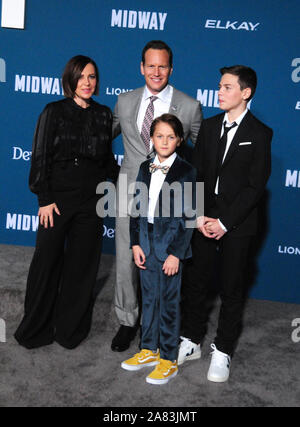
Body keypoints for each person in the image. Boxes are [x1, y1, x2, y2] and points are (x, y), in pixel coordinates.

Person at [14, 55, 119, 350]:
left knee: (82, 267)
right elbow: (41, 156)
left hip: (92, 202)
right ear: (70, 79)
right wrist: (44, 199)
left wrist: (137, 178)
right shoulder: (54, 111)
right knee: (46, 263)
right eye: (82, 76)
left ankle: (70, 331)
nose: (87, 82)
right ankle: (35, 329)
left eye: (92, 77)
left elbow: (107, 162)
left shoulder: (102, 114)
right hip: (57, 200)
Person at [178, 65, 273, 382]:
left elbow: (254, 187)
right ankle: (191, 340)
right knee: (196, 281)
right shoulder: (207, 127)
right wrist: (201, 215)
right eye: (219, 86)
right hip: (205, 216)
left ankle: (223, 350)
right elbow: (197, 176)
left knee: (232, 288)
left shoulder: (260, 134)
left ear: (246, 93)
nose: (219, 91)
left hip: (237, 221)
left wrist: (225, 222)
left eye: (228, 87)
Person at [111, 40, 202, 352]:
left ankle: (162, 325)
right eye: (150, 65)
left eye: (162, 65)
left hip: (170, 198)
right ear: (141, 67)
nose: (156, 71)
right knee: (126, 257)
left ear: (171, 68)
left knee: (164, 260)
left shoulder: (189, 107)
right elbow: (98, 136)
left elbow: (203, 155)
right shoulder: (124, 101)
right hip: (129, 190)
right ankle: (127, 320)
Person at [121, 114, 197, 384]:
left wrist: (177, 252)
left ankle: (168, 358)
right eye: (159, 136)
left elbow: (189, 217)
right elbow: (137, 207)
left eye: (170, 136)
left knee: (169, 303)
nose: (164, 141)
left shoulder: (186, 171)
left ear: (179, 140)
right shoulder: (144, 167)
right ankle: (148, 349)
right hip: (146, 241)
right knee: (149, 299)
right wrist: (135, 243)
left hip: (171, 245)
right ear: (151, 139)